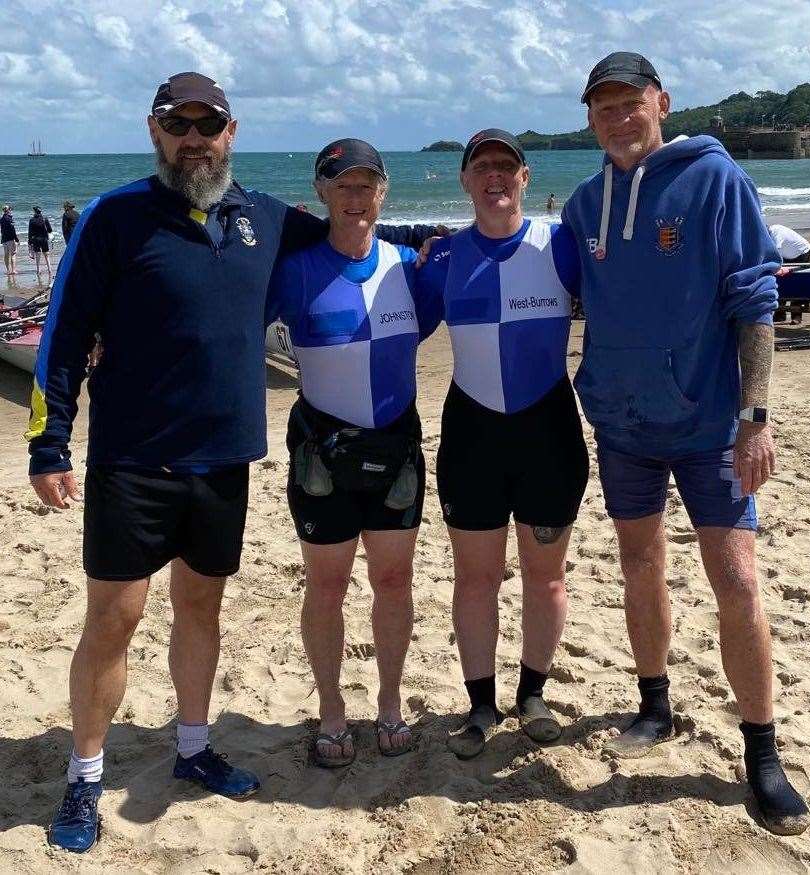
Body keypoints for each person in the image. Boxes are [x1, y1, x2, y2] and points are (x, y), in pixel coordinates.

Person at [26, 72, 437, 854]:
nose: (193, 138)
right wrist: (51, 441)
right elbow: (64, 332)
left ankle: (191, 748)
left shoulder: (266, 218)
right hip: (132, 458)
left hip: (223, 460)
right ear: (154, 132)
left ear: (230, 132)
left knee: (201, 610)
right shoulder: (114, 217)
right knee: (114, 619)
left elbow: (354, 234)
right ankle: (84, 778)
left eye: (206, 125)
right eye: (176, 124)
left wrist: (433, 246)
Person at [561, 51, 810, 836]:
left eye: (629, 102)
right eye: (601, 106)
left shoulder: (715, 178)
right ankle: (653, 703)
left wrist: (755, 417)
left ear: (660, 101)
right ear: (590, 117)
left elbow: (754, 301)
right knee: (638, 564)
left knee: (735, 579)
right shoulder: (579, 203)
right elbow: (552, 285)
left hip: (709, 429)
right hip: (622, 426)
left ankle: (761, 752)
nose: (616, 116)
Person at [266, 139, 440, 767]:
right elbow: (227, 324)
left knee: (394, 581)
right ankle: (333, 709)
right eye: (342, 185)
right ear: (321, 192)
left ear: (383, 192)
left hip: (395, 447)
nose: (355, 197)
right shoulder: (295, 270)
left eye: (366, 185)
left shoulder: (410, 268)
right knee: (328, 586)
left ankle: (390, 703)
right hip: (323, 452)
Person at [416, 129, 589, 759]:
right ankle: (482, 704)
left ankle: (534, 694)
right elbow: (389, 331)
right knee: (475, 579)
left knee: (545, 578)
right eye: (481, 166)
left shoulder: (561, 244)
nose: (494, 176)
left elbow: (625, 303)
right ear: (465, 181)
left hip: (548, 429)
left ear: (524, 177)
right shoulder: (440, 259)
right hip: (473, 432)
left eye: (506, 167)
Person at [768, 224, 810, 324]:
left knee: (797, 284)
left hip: (801, 253)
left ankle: (796, 316)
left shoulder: (776, 233)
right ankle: (780, 314)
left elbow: (774, 254)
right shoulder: (769, 234)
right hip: (786, 254)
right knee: (780, 281)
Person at [27, 206, 53, 280]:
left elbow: (30, 233)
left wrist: (29, 242)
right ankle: (49, 270)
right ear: (41, 212)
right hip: (44, 239)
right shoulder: (45, 219)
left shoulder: (32, 220)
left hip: (36, 239)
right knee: (46, 255)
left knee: (38, 255)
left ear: (34, 212)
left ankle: (38, 270)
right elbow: (50, 230)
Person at [1, 205, 19, 276]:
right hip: (10, 239)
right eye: (10, 209)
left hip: (4, 239)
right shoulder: (9, 219)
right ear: (8, 210)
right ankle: (13, 270)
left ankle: (8, 270)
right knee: (13, 254)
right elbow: (12, 230)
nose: (11, 211)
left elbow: (2, 229)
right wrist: (16, 239)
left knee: (6, 255)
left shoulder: (1, 219)